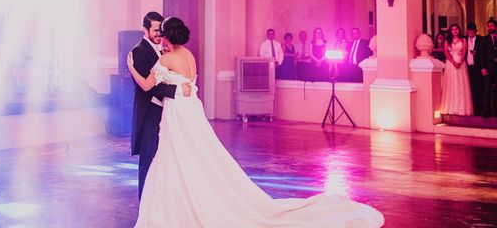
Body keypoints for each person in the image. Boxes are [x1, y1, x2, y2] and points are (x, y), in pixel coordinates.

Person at [127, 17, 384, 227]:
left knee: (177, 154)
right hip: (192, 109)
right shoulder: (190, 56)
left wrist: (132, 68)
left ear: (168, 37)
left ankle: (180, 205)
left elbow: (148, 85)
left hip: (177, 113)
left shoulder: (167, 58)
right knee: (198, 153)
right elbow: (187, 85)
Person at [130, 11, 192, 200]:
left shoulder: (167, 51)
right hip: (150, 114)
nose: (159, 34)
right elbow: (147, 88)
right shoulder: (139, 51)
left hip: (169, 112)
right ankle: (145, 206)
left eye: (161, 30)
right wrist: (176, 91)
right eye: (156, 30)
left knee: (167, 160)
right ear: (145, 29)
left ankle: (164, 203)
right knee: (149, 161)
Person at [439, 24, 473, 116]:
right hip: (450, 63)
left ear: (459, 30)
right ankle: (451, 107)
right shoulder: (447, 41)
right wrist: (453, 62)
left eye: (456, 29)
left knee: (461, 84)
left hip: (461, 63)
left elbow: (464, 51)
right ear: (450, 31)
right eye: (452, 29)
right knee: (451, 84)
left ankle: (462, 108)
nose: (454, 31)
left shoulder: (463, 40)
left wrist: (460, 61)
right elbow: (446, 52)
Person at [480, 18, 497, 117]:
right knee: (486, 89)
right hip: (488, 69)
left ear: (495, 27)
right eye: (488, 26)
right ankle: (486, 110)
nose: (490, 28)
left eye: (492, 26)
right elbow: (482, 55)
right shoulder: (484, 39)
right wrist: (483, 68)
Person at [466, 23, 483, 116]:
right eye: (469, 32)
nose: (471, 34)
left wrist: (478, 53)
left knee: (478, 88)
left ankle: (478, 109)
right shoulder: (464, 39)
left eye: (472, 32)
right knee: (469, 88)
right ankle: (470, 108)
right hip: (467, 67)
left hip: (477, 67)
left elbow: (484, 52)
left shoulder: (481, 39)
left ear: (476, 31)